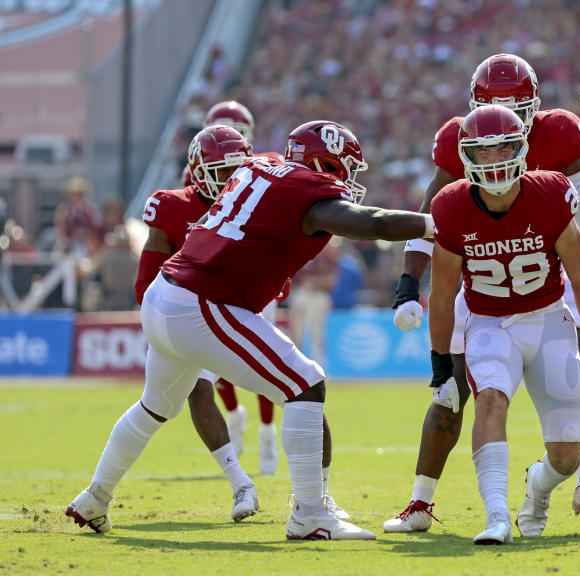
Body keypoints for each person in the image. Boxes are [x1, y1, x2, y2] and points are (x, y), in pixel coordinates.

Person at [66, 120, 436, 541]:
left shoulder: (260, 166)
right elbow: (375, 224)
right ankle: (311, 514)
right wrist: (433, 224)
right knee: (305, 384)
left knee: (154, 408)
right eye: (343, 168)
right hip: (201, 302)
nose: (348, 179)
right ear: (322, 163)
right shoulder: (309, 193)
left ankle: (94, 497)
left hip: (165, 296)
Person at [385, 53, 580, 533]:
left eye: (516, 111)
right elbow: (427, 220)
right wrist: (409, 284)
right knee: (451, 392)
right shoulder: (457, 169)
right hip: (485, 296)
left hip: (546, 287)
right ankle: (423, 500)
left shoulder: (555, 154)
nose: (497, 146)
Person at [427, 105, 580, 544]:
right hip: (489, 323)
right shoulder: (451, 205)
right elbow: (440, 294)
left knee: (568, 457)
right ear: (467, 157)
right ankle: (495, 515)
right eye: (483, 153)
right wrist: (440, 364)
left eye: (503, 150)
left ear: (522, 149)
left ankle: (538, 485)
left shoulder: (551, 191)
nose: (494, 162)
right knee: (490, 401)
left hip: (549, 320)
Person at [133, 124, 260, 523]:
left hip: (233, 311)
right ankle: (243, 483)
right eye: (222, 171)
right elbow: (145, 282)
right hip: (185, 315)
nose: (231, 180)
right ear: (200, 169)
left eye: (237, 170)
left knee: (299, 386)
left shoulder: (253, 201)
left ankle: (303, 491)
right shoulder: (170, 206)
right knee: (175, 402)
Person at [199, 101, 288, 479]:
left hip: (255, 278)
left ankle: (267, 432)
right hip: (215, 278)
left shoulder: (264, 167)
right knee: (215, 359)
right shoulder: (197, 179)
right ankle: (235, 415)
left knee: (264, 359)